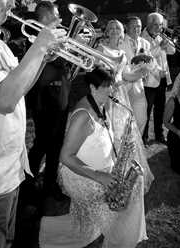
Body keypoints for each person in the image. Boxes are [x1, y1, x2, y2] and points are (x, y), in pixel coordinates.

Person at [0, 0, 66, 248]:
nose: (13, 4)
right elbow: (3, 100)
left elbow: (20, 86)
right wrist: (38, 48)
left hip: (11, 170)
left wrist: (43, 57)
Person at [39, 67, 151, 247]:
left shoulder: (101, 104)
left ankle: (110, 234)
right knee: (126, 201)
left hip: (100, 171)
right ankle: (119, 239)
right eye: (108, 86)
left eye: (113, 86)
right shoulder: (83, 116)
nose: (113, 91)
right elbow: (65, 157)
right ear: (92, 88)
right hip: (81, 176)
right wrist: (100, 176)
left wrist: (122, 148)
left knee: (134, 187)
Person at [27, 1, 71, 201]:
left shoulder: (57, 36)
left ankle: (49, 185)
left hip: (60, 97)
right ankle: (28, 182)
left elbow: (63, 67)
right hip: (44, 100)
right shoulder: (34, 37)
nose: (60, 18)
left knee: (56, 145)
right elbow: (42, 69)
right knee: (43, 144)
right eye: (56, 15)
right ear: (45, 17)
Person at [142, 12, 176, 145]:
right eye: (156, 24)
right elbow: (145, 57)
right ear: (149, 24)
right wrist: (159, 47)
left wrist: (168, 43)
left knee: (160, 109)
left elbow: (172, 51)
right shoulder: (142, 37)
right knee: (147, 109)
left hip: (162, 78)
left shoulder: (160, 36)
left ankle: (159, 134)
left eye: (161, 25)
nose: (159, 27)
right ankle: (143, 136)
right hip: (149, 80)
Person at [120, 16, 157, 134]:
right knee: (123, 120)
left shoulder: (145, 43)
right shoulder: (120, 41)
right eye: (134, 26)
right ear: (126, 27)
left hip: (139, 86)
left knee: (142, 119)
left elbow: (150, 61)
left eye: (139, 26)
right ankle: (122, 147)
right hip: (123, 85)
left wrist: (150, 69)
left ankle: (136, 146)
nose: (137, 29)